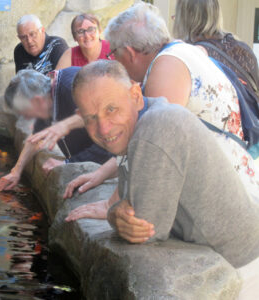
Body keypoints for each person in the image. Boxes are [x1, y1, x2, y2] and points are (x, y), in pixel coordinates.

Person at [72, 60, 259, 299]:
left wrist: (112, 214)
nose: (104, 128)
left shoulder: (155, 129)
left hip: (244, 267)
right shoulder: (148, 117)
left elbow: (146, 229)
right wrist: (118, 210)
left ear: (136, 96)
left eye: (111, 109)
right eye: (91, 118)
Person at [64, 2, 259, 218]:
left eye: (113, 55)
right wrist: (101, 173)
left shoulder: (166, 68)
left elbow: (152, 143)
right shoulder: (181, 51)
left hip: (228, 203)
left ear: (128, 53)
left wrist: (114, 202)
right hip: (229, 184)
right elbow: (140, 140)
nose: (115, 62)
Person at [0, 68, 113, 192]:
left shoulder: (73, 90)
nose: (27, 118)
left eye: (25, 112)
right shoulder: (49, 95)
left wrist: (68, 163)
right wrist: (16, 171)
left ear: (37, 101)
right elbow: (36, 139)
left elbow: (107, 143)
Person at [173, 0, 259, 97]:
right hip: (247, 112)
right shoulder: (243, 49)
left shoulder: (193, 54)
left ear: (183, 20)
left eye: (175, 17)